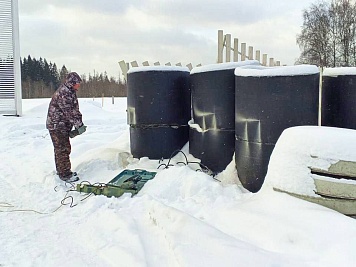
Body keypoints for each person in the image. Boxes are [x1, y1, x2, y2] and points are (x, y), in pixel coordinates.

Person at [46, 72, 87, 182]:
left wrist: (80, 123)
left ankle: (62, 171)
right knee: (62, 149)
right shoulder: (64, 93)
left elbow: (75, 110)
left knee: (61, 149)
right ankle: (65, 174)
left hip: (62, 125)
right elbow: (69, 112)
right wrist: (79, 125)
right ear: (72, 83)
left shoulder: (70, 91)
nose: (79, 85)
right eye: (77, 83)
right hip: (57, 126)